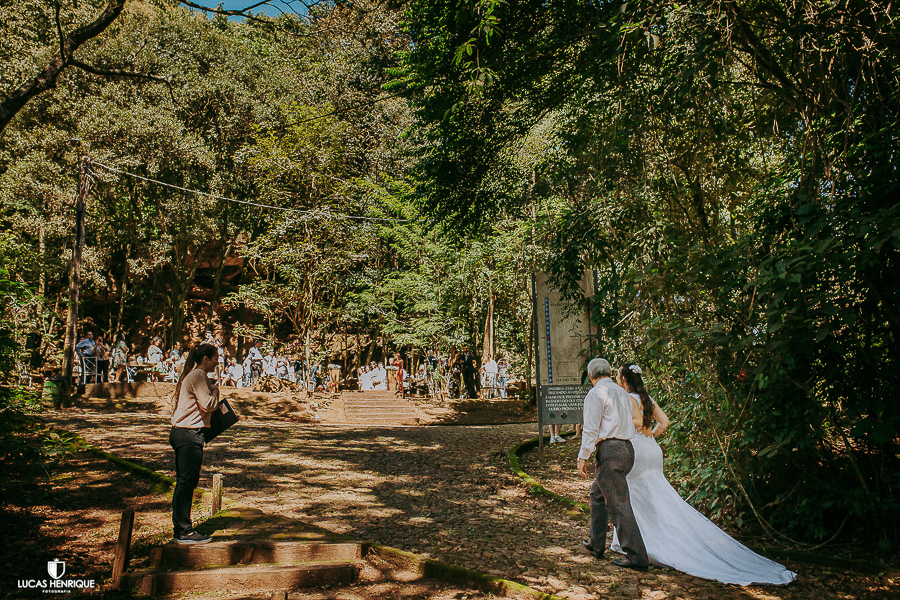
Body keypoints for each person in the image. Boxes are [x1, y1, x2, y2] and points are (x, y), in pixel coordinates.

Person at [610, 363, 796, 585]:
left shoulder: (628, 398)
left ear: (623, 380)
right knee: (657, 494)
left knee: (636, 495)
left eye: (618, 376)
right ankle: (654, 536)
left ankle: (643, 542)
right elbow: (665, 422)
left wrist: (626, 432)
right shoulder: (647, 398)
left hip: (637, 451)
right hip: (652, 450)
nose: (617, 379)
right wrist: (651, 438)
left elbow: (636, 422)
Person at [577, 357, 649, 571]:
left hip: (610, 451)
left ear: (591, 376)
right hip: (627, 449)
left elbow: (591, 427)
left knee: (618, 504)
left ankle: (637, 556)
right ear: (609, 373)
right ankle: (596, 543)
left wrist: (583, 456)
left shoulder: (596, 393)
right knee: (597, 495)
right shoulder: (622, 393)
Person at [169, 343, 220, 544]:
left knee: (184, 482)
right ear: (205, 359)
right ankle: (184, 531)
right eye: (215, 358)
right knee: (186, 483)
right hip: (189, 434)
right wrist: (216, 390)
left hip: (183, 433)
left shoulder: (193, 375)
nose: (217, 362)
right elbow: (208, 404)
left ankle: (182, 529)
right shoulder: (199, 375)